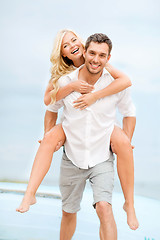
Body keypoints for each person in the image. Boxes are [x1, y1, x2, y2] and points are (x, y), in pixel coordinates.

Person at [16, 29, 138, 231]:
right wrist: (72, 87)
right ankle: (30, 194)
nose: (72, 45)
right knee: (48, 140)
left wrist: (95, 95)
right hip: (71, 128)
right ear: (63, 54)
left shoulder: (103, 64)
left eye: (74, 40)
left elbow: (126, 83)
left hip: (101, 134)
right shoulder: (64, 77)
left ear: (82, 44)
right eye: (65, 45)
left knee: (124, 143)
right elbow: (49, 103)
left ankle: (129, 204)